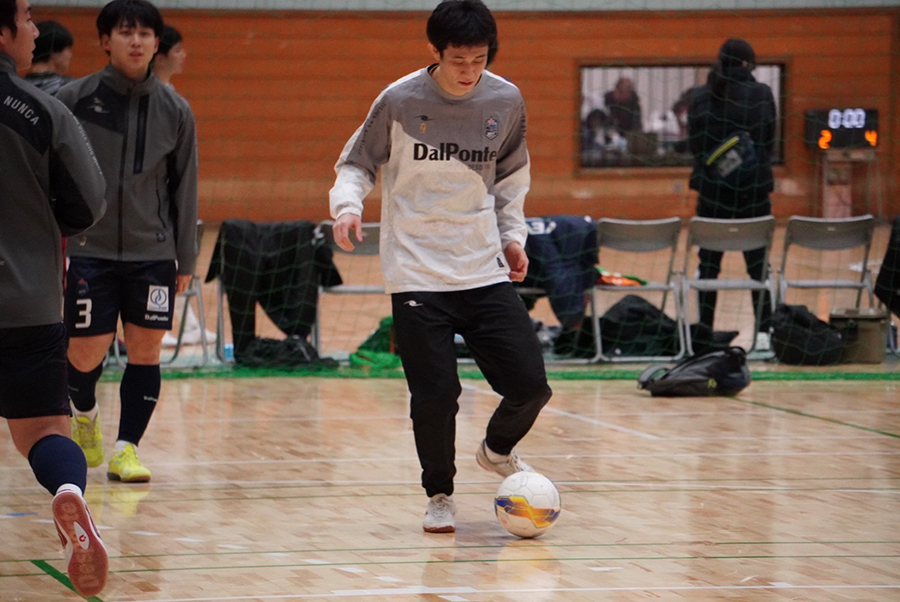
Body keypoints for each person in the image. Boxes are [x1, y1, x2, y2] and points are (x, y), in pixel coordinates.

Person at [329, 0, 552, 534]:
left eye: (479, 59)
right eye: (458, 60)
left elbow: (511, 180)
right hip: (416, 270)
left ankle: (496, 451)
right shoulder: (400, 99)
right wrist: (347, 206)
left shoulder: (505, 99)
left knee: (531, 385)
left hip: (482, 266)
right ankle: (440, 494)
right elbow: (356, 163)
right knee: (436, 396)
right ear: (435, 51)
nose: (468, 71)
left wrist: (513, 238)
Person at [55, 0, 199, 483]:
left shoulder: (176, 110)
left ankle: (126, 449)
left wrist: (185, 257)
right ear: (105, 40)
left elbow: (185, 187)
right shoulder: (73, 99)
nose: (136, 41)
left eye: (145, 34)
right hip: (89, 248)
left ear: (157, 43)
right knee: (84, 351)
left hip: (152, 253)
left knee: (146, 349)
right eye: (125, 32)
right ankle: (85, 414)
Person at [0, 0, 108, 596]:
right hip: (28, 302)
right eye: (25, 16)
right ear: (2, 33)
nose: (35, 28)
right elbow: (89, 204)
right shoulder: (42, 110)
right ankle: (68, 491)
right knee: (44, 428)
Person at [687, 38, 776, 350]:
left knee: (708, 267)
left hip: (712, 196)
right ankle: (764, 335)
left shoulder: (700, 96)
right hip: (753, 193)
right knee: (758, 267)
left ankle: (704, 333)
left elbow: (695, 146)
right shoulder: (762, 94)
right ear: (747, 63)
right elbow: (769, 140)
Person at [152, 24, 214, 348]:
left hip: (171, 199)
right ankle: (158, 326)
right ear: (160, 56)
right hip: (152, 204)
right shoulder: (149, 100)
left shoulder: (174, 100)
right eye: (177, 50)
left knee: (179, 261)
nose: (183, 55)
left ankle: (186, 324)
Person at [23, 19, 73, 95]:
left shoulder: (14, 88)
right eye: (68, 49)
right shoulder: (72, 90)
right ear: (54, 52)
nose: (70, 55)